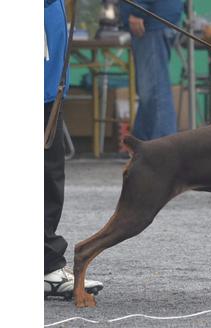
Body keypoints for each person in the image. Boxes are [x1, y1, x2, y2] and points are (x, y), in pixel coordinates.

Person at [44, 0, 103, 299]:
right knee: (46, 174)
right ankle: (46, 264)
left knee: (49, 173)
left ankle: (46, 264)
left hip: (49, 79)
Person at [119, 0, 184, 140]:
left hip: (150, 19)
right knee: (149, 91)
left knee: (154, 91)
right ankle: (143, 146)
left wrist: (138, 8)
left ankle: (163, 149)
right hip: (154, 17)